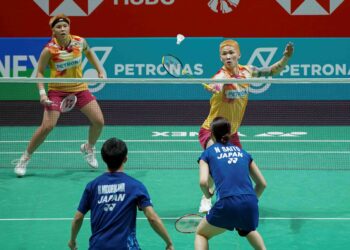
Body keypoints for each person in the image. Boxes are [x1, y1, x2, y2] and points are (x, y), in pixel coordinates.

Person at [198, 39, 293, 212]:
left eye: (231, 52)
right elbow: (216, 83)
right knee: (217, 162)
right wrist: (213, 87)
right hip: (211, 130)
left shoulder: (247, 71)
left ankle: (246, 204)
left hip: (231, 133)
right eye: (224, 54)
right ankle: (206, 198)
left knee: (242, 168)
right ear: (220, 58)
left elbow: (271, 71)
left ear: (238, 55)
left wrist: (285, 58)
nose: (228, 56)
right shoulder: (220, 77)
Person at [14, 13, 105, 177]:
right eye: (58, 27)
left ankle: (88, 148)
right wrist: (42, 94)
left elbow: (89, 53)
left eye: (65, 26)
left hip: (79, 88)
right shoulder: (49, 50)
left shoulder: (79, 41)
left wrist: (99, 69)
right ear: (53, 31)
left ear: (69, 27)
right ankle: (24, 158)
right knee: (47, 126)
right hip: (57, 91)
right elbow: (40, 72)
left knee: (99, 121)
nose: (62, 29)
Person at [68, 137, 174, 250]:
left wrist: (72, 241)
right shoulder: (136, 186)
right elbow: (152, 217)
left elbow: (78, 217)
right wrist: (169, 242)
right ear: (125, 159)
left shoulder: (92, 186)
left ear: (103, 159)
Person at [195, 117, 267, 250]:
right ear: (230, 133)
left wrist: (208, 194)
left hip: (227, 203)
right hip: (250, 203)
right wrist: (249, 200)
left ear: (211, 134)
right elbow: (262, 184)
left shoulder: (207, 153)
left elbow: (203, 182)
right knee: (247, 229)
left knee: (201, 234)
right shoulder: (243, 152)